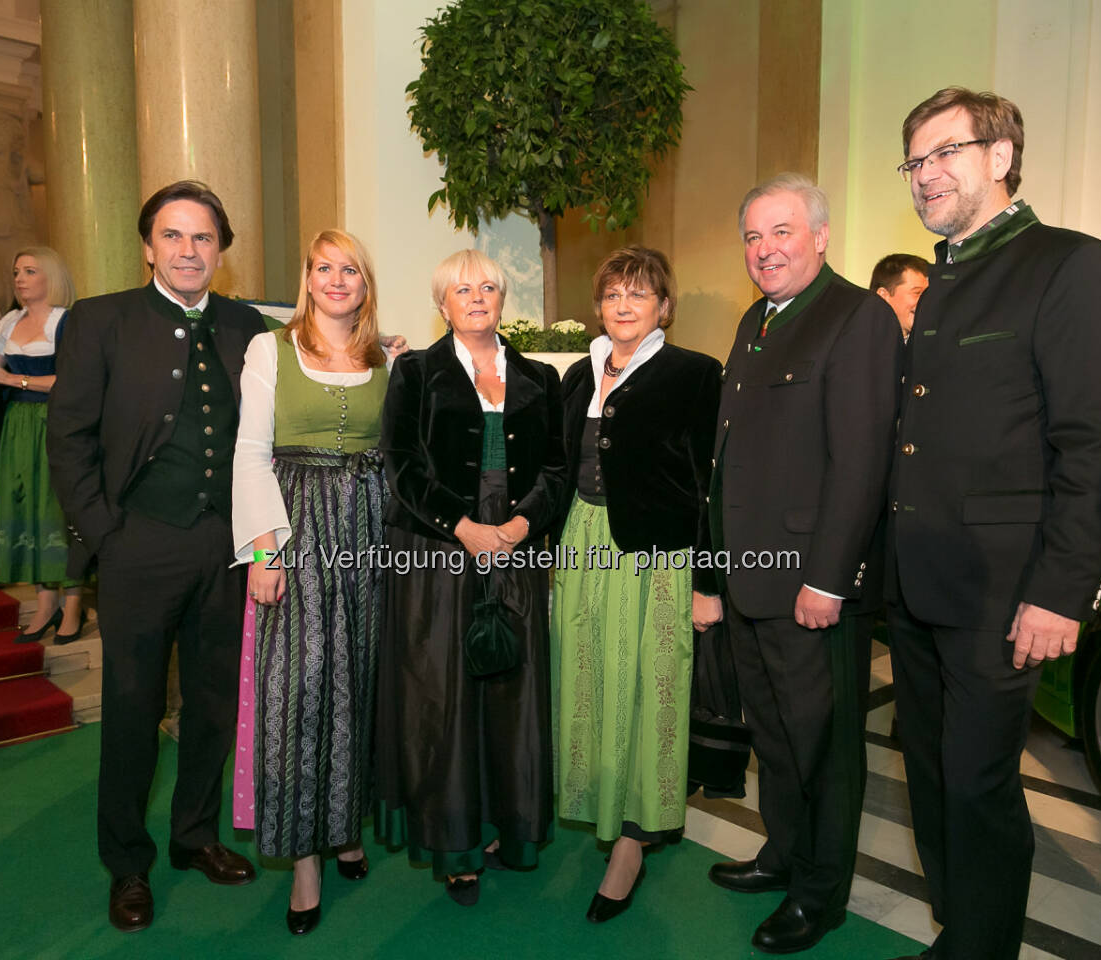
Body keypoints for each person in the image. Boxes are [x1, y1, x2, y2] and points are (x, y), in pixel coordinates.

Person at [883, 88, 1101, 960]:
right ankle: (958, 926)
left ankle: (981, 947)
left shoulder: (1069, 264)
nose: (926, 174)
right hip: (917, 586)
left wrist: (1062, 591)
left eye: (946, 151)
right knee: (927, 772)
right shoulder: (944, 276)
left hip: (1003, 590)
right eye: (915, 159)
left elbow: (1093, 444)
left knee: (979, 785)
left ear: (1001, 156)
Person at [47, 180, 262, 933]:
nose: (188, 250)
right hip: (138, 541)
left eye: (203, 238)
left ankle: (195, 836)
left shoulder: (248, 327)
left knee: (211, 703)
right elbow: (68, 436)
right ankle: (127, 863)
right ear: (147, 247)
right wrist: (103, 532)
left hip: (225, 545)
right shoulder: (101, 320)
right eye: (173, 236)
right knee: (133, 710)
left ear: (221, 251)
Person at [703, 173, 899, 954]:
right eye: (752, 237)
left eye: (781, 232)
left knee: (825, 745)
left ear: (820, 235)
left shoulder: (858, 317)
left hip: (808, 585)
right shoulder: (757, 320)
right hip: (750, 579)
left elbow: (860, 463)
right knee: (775, 736)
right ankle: (784, 854)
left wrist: (827, 578)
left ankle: (821, 894)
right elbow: (733, 462)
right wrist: (715, 573)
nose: (764, 250)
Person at [375, 248, 566, 906]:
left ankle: (505, 829)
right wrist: (463, 528)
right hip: (436, 551)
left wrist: (517, 529)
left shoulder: (541, 376)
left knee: (511, 689)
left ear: (503, 299)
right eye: (462, 288)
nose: (477, 296)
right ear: (442, 303)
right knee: (446, 695)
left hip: (517, 549)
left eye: (488, 286)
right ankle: (456, 842)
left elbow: (558, 472)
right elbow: (400, 465)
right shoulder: (415, 373)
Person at [552, 246, 720, 922]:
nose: (624, 305)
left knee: (650, 687)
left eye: (639, 295)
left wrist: (709, 581)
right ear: (599, 307)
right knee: (587, 680)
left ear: (663, 308)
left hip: (656, 557)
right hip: (579, 546)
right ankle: (597, 804)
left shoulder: (695, 374)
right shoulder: (576, 375)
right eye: (614, 294)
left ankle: (634, 839)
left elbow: (714, 487)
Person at [230, 230, 389, 935]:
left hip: (371, 533)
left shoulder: (386, 357)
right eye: (322, 267)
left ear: (364, 282)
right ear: (307, 278)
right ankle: (303, 857)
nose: (334, 279)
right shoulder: (271, 348)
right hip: (298, 528)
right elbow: (250, 452)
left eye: (347, 268)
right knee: (299, 688)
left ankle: (346, 825)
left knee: (362, 679)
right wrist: (265, 552)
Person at [0, 249, 79, 642]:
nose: (20, 278)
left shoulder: (67, 321)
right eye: (16, 272)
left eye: (29, 271)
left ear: (51, 277)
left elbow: (74, 381)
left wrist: (15, 381)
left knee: (58, 508)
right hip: (18, 425)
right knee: (23, 504)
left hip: (58, 423)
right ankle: (45, 602)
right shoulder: (10, 320)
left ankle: (72, 603)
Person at [869, 253, 930, 341]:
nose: (927, 301)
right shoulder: (859, 344)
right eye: (917, 292)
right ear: (883, 296)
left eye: (929, 294)